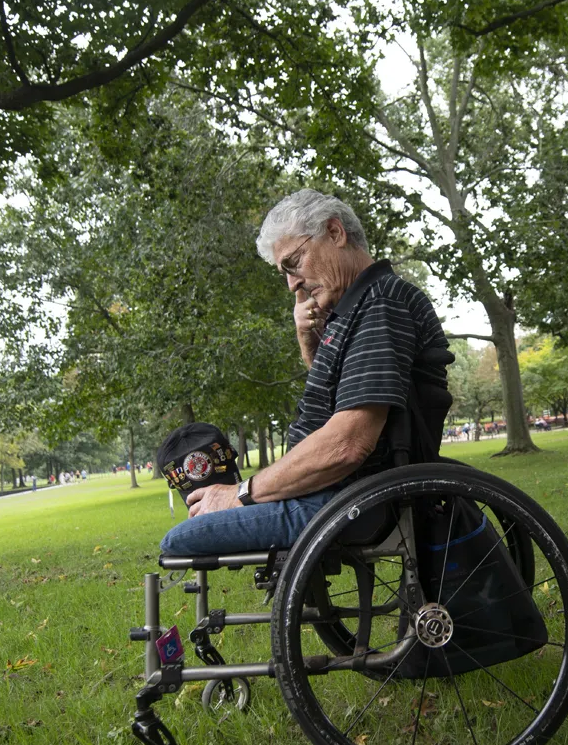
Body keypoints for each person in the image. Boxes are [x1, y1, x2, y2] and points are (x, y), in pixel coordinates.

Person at [161, 189, 448, 556]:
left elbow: (348, 444)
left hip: (347, 497)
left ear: (334, 233)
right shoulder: (360, 306)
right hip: (337, 491)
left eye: (294, 262)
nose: (292, 284)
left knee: (182, 537)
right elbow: (335, 397)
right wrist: (307, 335)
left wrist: (242, 493)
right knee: (200, 513)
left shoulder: (379, 304)